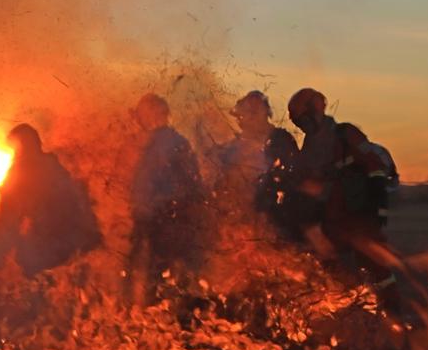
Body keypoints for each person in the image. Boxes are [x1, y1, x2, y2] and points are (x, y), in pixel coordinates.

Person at [0, 123, 101, 321]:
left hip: (41, 242)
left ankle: (42, 326)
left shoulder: (23, 171)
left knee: (36, 288)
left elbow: (12, 214)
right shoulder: (54, 166)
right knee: (55, 289)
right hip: (60, 241)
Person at [287, 87, 398, 309]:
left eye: (304, 121)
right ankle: (350, 315)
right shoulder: (309, 146)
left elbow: (374, 166)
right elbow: (307, 182)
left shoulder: (345, 134)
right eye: (299, 124)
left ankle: (393, 314)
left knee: (376, 265)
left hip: (359, 215)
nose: (303, 128)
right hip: (332, 218)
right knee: (331, 267)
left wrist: (378, 206)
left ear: (316, 111)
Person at [128, 93, 207, 301]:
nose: (138, 119)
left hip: (164, 221)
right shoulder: (156, 143)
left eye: (142, 113)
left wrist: (156, 210)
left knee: (160, 275)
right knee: (154, 276)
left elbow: (190, 185)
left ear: (155, 113)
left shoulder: (170, 143)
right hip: (155, 220)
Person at [213, 90, 300, 232]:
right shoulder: (233, 146)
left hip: (273, 215)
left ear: (267, 112)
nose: (252, 116)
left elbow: (293, 175)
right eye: (248, 111)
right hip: (237, 216)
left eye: (255, 111)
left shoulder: (281, 140)